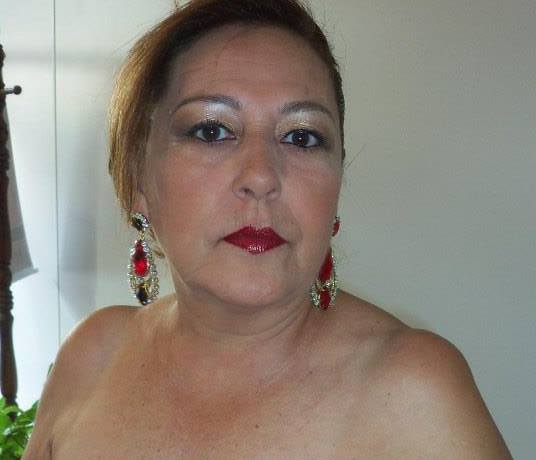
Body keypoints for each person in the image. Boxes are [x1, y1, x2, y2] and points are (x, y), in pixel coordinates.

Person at [24, 0, 512, 458]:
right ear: (138, 177)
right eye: (212, 130)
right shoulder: (91, 357)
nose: (261, 176)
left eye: (301, 137)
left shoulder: (415, 394)